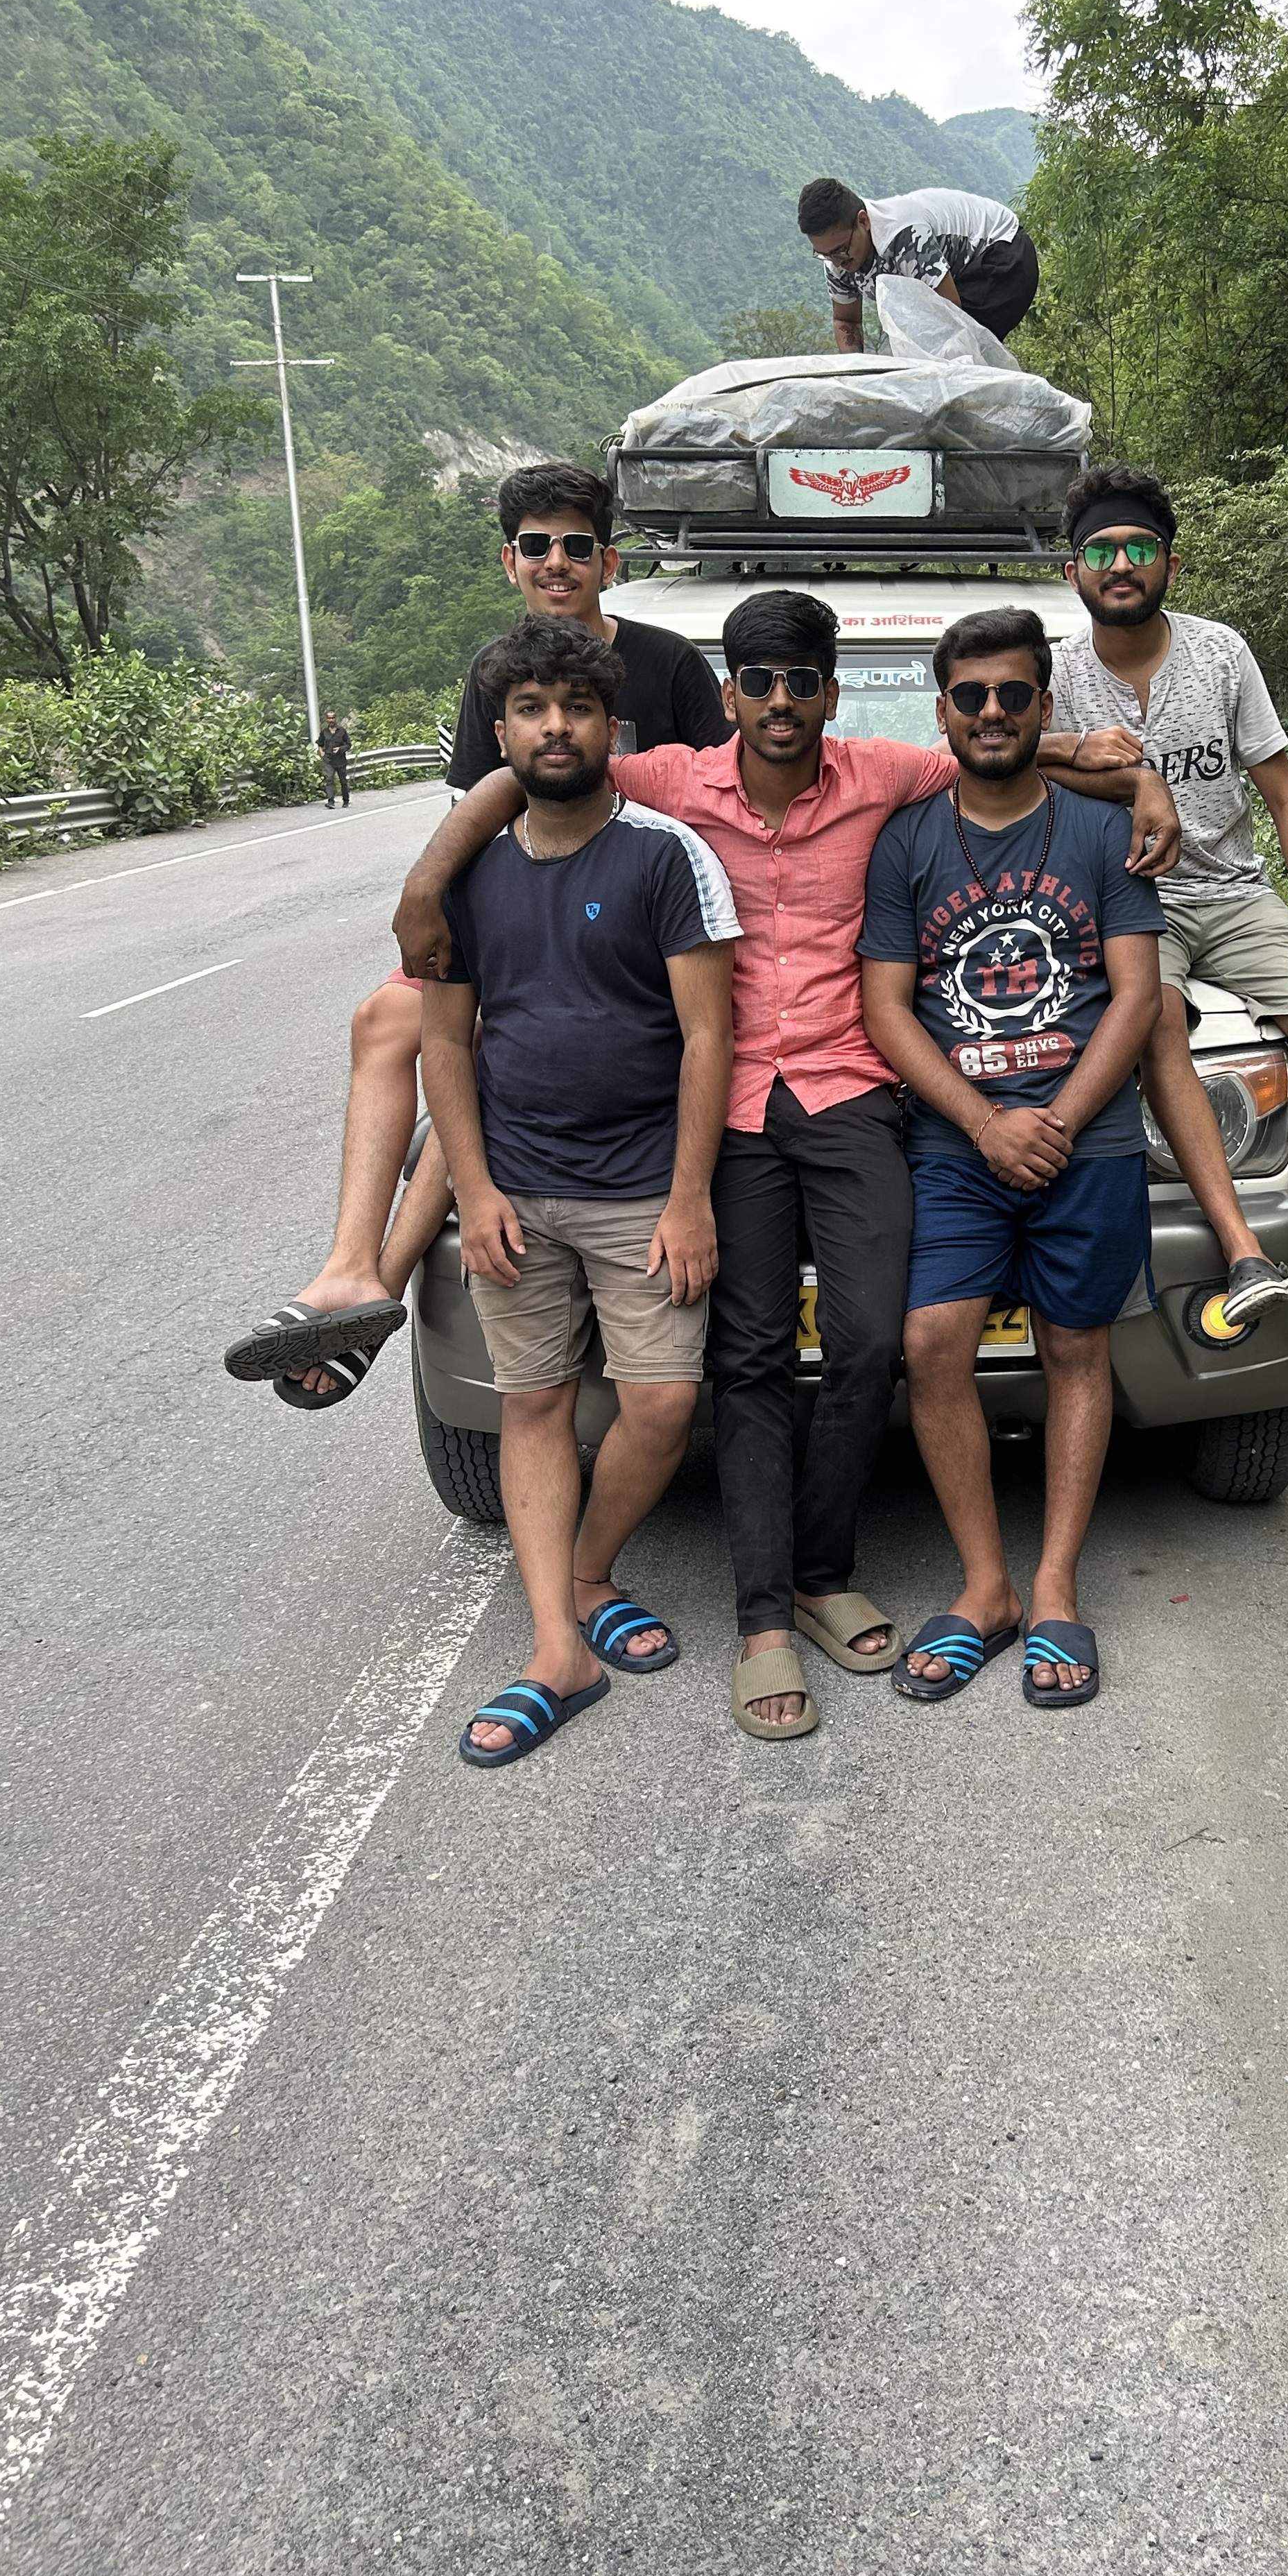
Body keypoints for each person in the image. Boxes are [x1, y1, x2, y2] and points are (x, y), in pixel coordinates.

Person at [393, 590, 1182, 1742]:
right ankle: (766, 1618)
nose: (778, 702)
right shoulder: (668, 783)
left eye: (800, 681)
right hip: (728, 1116)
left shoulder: (883, 774)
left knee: (872, 1340)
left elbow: (1001, 745)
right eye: (756, 682)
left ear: (829, 692)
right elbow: (533, 771)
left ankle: (822, 1572)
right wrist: (427, 882)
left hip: (854, 1093)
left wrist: (1138, 779)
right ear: (729, 697)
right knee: (750, 1354)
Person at [221, 463, 727, 1410]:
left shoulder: (668, 663)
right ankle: (348, 1270)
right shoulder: (495, 674)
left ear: (608, 558)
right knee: (387, 1023)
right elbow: (489, 798)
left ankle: (377, 1285)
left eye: (577, 545)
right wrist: (433, 892)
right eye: (537, 546)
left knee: (490, 1056)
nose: (558, 562)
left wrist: (422, 879)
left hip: (630, 930)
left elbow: (710, 795)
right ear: (511, 562)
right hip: (515, 924)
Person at [421, 617, 739, 1771]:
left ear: (615, 726)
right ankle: (561, 1644)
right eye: (530, 710)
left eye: (577, 709)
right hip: (519, 1186)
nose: (555, 729)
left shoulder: (664, 854)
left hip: (641, 1186)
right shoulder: (466, 876)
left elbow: (710, 1035)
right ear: (500, 729)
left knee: (659, 1407)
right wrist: (475, 1184)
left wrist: (689, 1197)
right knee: (534, 1404)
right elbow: (444, 1045)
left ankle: (594, 1567)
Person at [859, 610, 1165, 1710]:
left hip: (1087, 1139)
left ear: (1046, 709)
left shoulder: (1098, 834)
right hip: (953, 1142)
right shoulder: (907, 843)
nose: (992, 713)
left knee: (1076, 1348)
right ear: (941, 710)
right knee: (932, 1343)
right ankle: (983, 1586)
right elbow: (887, 1010)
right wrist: (987, 1123)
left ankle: (1055, 1587)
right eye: (971, 696)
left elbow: (1135, 994)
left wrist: (1061, 1122)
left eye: (1014, 695)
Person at [1045, 463, 1288, 1345]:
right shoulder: (1055, 672)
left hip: (1236, 896)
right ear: (1073, 569)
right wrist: (1094, 752)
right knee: (1152, 1018)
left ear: (1168, 564)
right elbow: (987, 746)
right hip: (1131, 900)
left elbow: (1285, 798)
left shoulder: (1221, 653)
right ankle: (1243, 1249)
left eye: (1139, 549)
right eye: (1102, 550)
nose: (1121, 565)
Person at [797, 180, 1040, 352]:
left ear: (863, 221)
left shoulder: (904, 236)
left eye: (841, 250)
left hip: (1002, 252)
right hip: (957, 276)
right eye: (824, 254)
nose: (838, 261)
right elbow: (846, 322)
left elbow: (948, 311)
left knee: (956, 353)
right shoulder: (835, 260)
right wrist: (858, 375)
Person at [318, 709, 352, 809]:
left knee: (343, 781)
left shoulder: (342, 731)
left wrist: (340, 749)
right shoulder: (324, 732)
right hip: (329, 760)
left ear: (336, 719)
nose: (331, 720)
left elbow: (349, 745)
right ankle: (331, 801)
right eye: (329, 718)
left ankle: (346, 800)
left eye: (333, 718)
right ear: (326, 719)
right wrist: (322, 754)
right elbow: (320, 744)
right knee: (329, 779)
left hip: (340, 760)